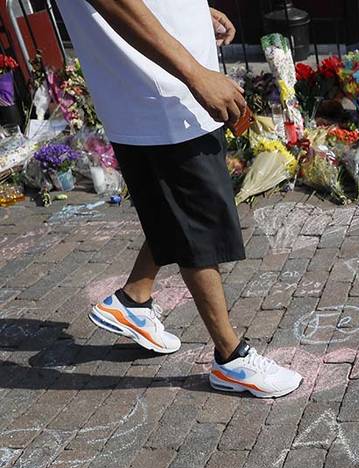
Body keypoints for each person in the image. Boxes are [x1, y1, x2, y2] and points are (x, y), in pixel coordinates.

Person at [55, 0, 302, 398]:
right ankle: (230, 357)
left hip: (172, 94)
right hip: (162, 97)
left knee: (179, 208)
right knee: (198, 223)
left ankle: (134, 297)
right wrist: (195, 75)